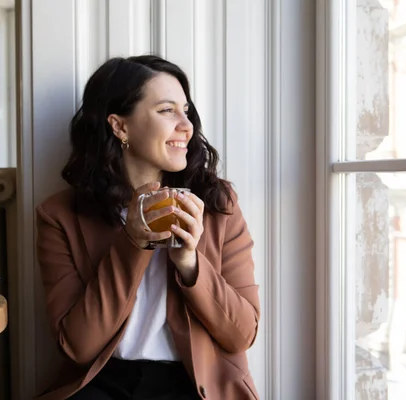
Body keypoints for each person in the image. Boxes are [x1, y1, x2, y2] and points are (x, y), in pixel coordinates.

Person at [36, 55, 260, 400]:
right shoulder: (60, 215)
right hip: (101, 382)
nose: (187, 125)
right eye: (167, 110)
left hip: (193, 383)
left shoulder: (218, 205)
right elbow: (78, 346)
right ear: (120, 126)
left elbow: (241, 335)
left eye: (186, 111)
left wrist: (190, 263)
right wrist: (133, 244)